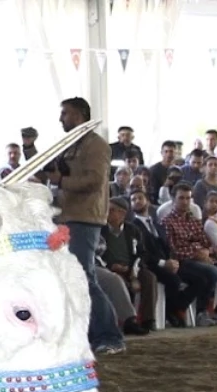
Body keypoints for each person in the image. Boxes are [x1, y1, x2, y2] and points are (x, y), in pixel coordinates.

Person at [50, 97, 125, 354]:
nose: (61, 119)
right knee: (73, 277)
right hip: (67, 216)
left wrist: (61, 181)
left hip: (85, 218)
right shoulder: (70, 145)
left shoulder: (96, 146)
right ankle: (90, 334)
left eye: (65, 114)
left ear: (80, 115)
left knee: (83, 277)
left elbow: (94, 181)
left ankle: (109, 335)